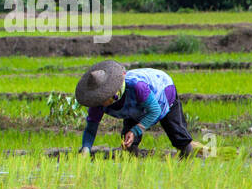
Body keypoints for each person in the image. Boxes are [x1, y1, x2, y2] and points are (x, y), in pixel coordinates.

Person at [75, 61, 203, 157]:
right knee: (128, 143)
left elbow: (155, 111)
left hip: (162, 92)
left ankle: (190, 160)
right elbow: (91, 128)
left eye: (104, 98)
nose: (102, 102)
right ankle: (133, 171)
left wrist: (136, 130)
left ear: (113, 91)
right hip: (133, 110)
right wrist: (86, 149)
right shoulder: (97, 103)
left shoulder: (136, 87)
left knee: (179, 137)